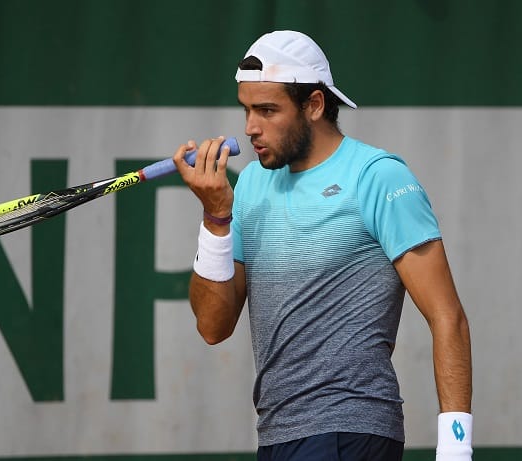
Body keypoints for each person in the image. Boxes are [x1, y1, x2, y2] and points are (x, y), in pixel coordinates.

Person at [172, 30, 473, 461]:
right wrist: (216, 217)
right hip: (277, 433)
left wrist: (456, 449)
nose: (250, 127)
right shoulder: (253, 182)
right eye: (246, 109)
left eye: (267, 110)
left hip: (350, 429)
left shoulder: (378, 177)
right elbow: (213, 327)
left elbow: (448, 317)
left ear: (314, 105)